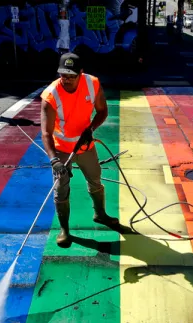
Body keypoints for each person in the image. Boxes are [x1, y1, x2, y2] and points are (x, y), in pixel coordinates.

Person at [41, 53, 119, 248]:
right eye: (63, 75)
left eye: (71, 76)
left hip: (85, 146)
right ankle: (65, 229)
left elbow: (102, 111)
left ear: (81, 73)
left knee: (95, 179)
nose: (66, 80)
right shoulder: (51, 96)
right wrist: (54, 161)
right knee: (61, 190)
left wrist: (90, 129)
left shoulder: (92, 84)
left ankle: (100, 214)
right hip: (61, 150)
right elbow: (46, 133)